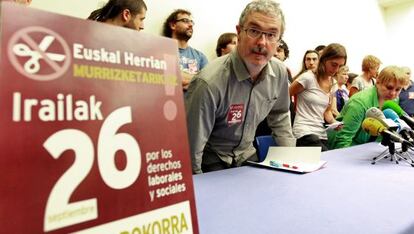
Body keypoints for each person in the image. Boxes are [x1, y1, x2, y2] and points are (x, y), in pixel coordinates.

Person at [185, 0, 295, 174]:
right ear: (239, 33)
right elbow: (191, 148)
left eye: (271, 35)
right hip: (213, 159)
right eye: (254, 31)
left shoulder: (280, 73)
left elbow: (280, 114)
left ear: (279, 40)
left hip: (247, 155)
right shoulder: (209, 82)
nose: (262, 42)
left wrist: (291, 161)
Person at [329, 66, 408, 149]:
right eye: (389, 87)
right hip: (349, 149)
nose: (393, 93)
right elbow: (343, 140)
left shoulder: (394, 100)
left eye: (398, 89)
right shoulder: (359, 103)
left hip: (371, 149)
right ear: (378, 82)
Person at [289, 43, 347, 151]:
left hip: (320, 133)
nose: (336, 69)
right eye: (334, 64)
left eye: (340, 66)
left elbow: (327, 112)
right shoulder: (308, 78)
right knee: (329, 158)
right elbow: (284, 96)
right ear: (324, 60)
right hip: (303, 132)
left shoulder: (333, 83)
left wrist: (334, 123)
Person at [162, 9, 208, 90]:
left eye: (191, 22)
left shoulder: (200, 57)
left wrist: (178, 76)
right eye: (185, 21)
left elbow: (206, 83)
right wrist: (195, 79)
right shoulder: (161, 51)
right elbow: (162, 79)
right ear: (173, 25)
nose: (190, 25)